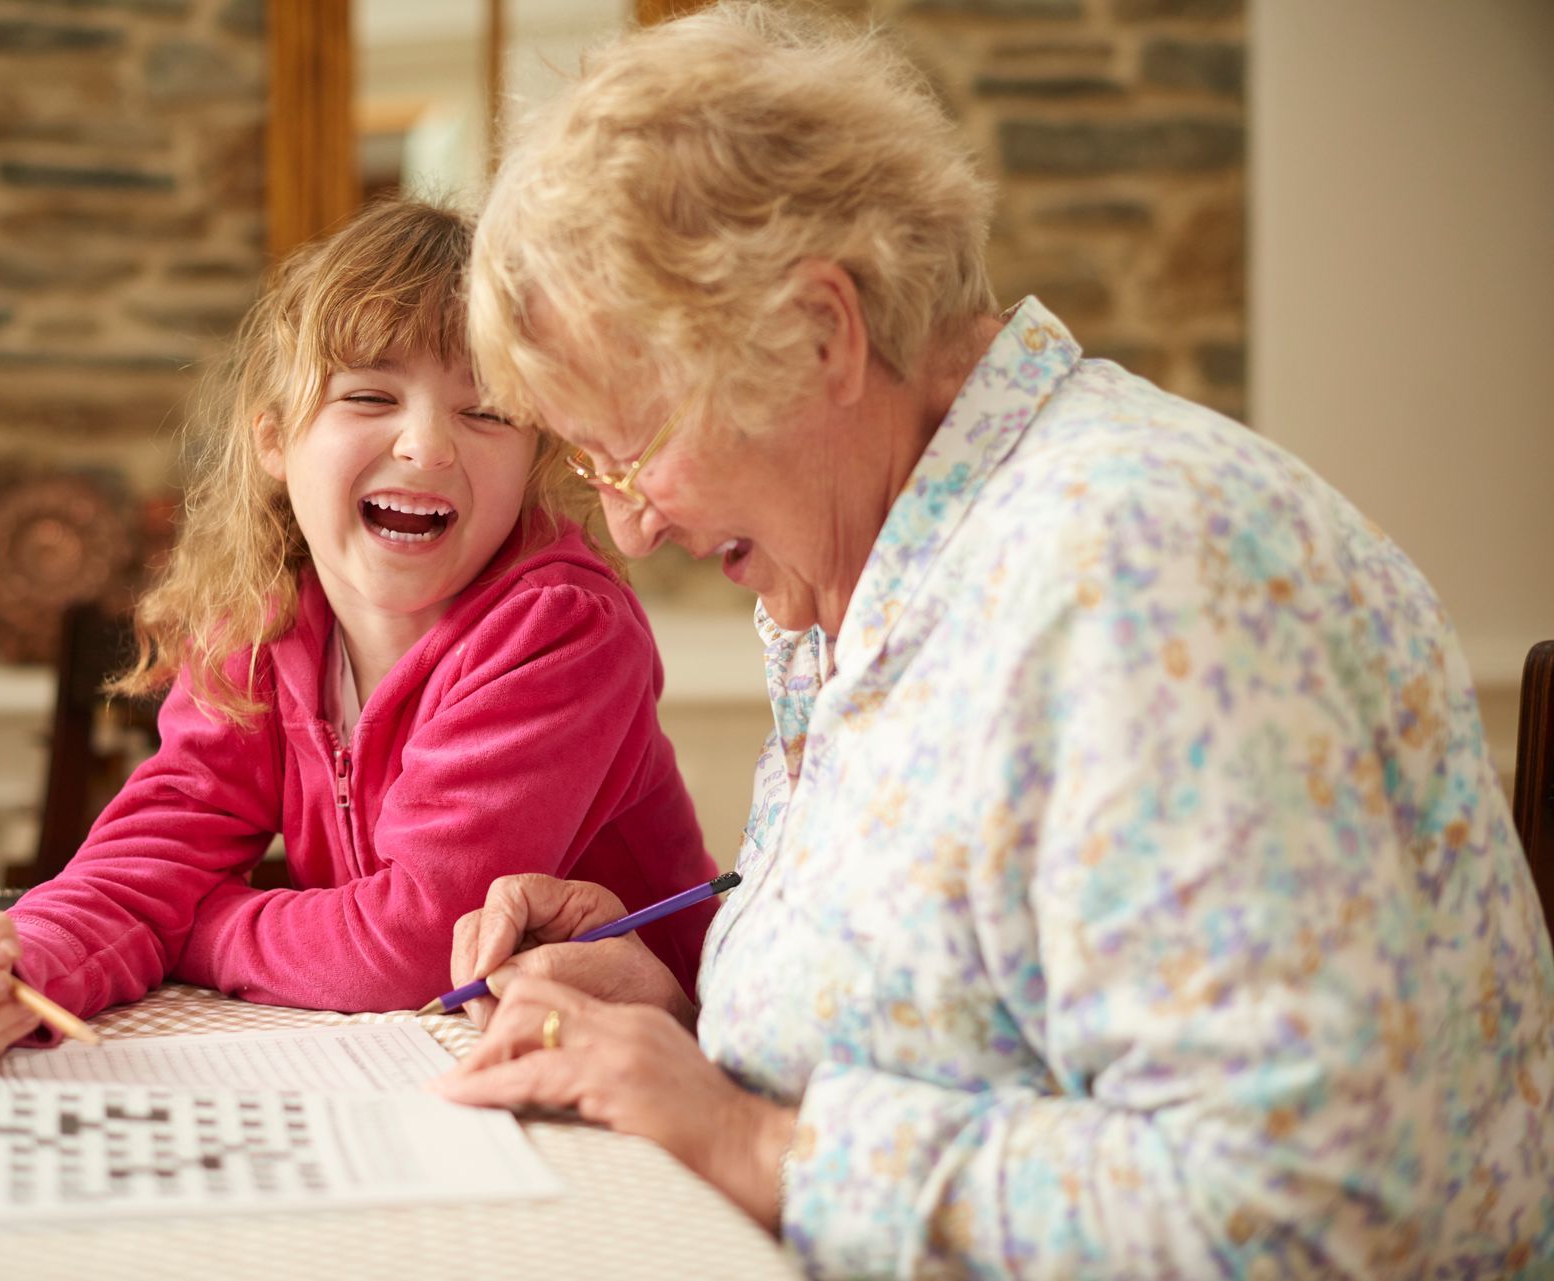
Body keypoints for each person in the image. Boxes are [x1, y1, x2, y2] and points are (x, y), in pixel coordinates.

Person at [432, 7, 1554, 1278]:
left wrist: (748, 1136)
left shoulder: (1127, 572)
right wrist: (688, 1019)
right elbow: (971, 1025)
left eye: (632, 444)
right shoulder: (888, 569)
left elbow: (1297, 1208)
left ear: (819, 334)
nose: (627, 527)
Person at [0, 199, 718, 1067]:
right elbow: (150, 853)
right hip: (430, 1061)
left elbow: (414, 942)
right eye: (370, 394)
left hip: (647, 1059)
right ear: (273, 440)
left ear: (535, 456)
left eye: (487, 413)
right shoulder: (259, 622)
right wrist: (24, 961)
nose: (426, 446)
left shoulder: (560, 630)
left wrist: (198, 920)